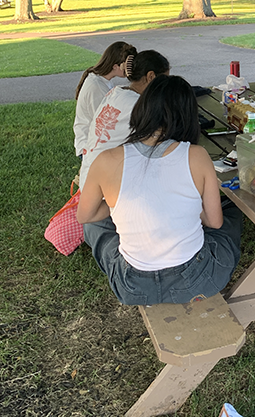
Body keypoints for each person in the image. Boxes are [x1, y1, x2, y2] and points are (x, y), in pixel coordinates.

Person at [77, 75, 242, 305]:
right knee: (230, 217)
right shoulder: (197, 155)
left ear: (142, 108)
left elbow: (85, 215)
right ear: (189, 116)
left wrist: (119, 202)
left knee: (96, 228)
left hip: (133, 287)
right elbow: (214, 222)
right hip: (197, 281)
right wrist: (191, 205)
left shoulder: (106, 160)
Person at [78, 50, 170, 190]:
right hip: (105, 187)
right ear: (151, 76)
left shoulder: (116, 92)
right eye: (164, 81)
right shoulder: (138, 105)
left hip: (90, 175)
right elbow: (163, 140)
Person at [73, 42, 137, 158]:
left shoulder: (102, 80)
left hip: (97, 145)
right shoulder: (96, 86)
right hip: (90, 148)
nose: (130, 70)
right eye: (127, 66)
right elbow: (101, 123)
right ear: (115, 66)